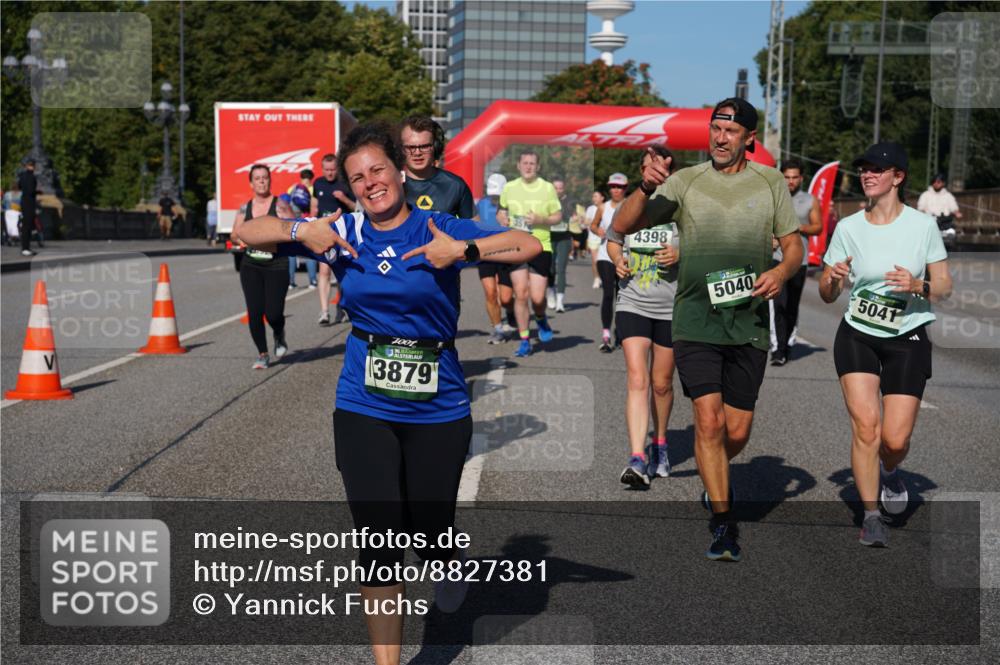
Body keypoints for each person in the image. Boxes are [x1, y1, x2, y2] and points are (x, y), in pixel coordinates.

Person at [233, 121, 540, 665]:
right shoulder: (343, 229)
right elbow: (248, 233)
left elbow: (527, 244)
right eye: (358, 177)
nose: (370, 183)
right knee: (379, 541)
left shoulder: (436, 225)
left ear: (399, 171)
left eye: (377, 170)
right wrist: (303, 230)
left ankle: (446, 559)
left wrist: (463, 250)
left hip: (438, 403)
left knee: (427, 533)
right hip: (364, 402)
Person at [613, 97, 802, 562]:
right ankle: (722, 521)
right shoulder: (685, 181)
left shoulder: (770, 182)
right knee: (709, 420)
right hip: (695, 319)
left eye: (730, 131)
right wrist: (645, 186)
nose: (720, 138)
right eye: (715, 129)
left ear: (749, 138)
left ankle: (713, 465)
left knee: (735, 431)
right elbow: (623, 225)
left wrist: (781, 272)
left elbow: (793, 246)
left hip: (748, 321)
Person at [820, 142, 952, 547]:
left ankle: (890, 472)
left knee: (894, 441)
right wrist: (833, 279)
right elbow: (826, 293)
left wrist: (918, 284)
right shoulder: (848, 228)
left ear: (898, 177)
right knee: (866, 427)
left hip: (907, 334)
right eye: (864, 168)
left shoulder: (922, 227)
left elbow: (944, 287)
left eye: (877, 169)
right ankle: (871, 515)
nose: (868, 174)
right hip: (857, 333)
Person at [607, 146, 679, 488]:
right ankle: (637, 457)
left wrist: (680, 253)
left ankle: (660, 443)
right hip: (633, 301)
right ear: (642, 171)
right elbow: (613, 238)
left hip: (671, 306)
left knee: (662, 383)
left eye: (661, 167)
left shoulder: (680, 206)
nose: (655, 172)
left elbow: (702, 246)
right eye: (649, 166)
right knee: (637, 379)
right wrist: (617, 259)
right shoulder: (631, 205)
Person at [498, 150, 562, 357]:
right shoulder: (509, 187)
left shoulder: (547, 187)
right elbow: (501, 211)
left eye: (532, 163)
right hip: (516, 245)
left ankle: (541, 317)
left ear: (538, 167)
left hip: (541, 246)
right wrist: (502, 219)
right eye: (525, 163)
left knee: (537, 298)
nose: (528, 167)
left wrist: (541, 219)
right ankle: (524, 339)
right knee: (521, 293)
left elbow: (558, 216)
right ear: (518, 165)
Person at [230, 164, 290, 370]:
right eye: (257, 178)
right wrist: (242, 238)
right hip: (251, 265)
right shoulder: (244, 208)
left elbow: (295, 229)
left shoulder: (280, 205)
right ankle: (262, 354)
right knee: (255, 312)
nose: (262, 181)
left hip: (277, 264)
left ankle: (279, 333)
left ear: (270, 180)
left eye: (265, 177)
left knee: (273, 313)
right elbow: (235, 234)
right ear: (251, 183)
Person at [769, 159, 823, 366]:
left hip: (800, 261)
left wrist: (798, 227)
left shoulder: (810, 200)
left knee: (792, 305)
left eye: (794, 177)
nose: (790, 181)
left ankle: (788, 342)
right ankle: (778, 349)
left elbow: (818, 227)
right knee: (778, 304)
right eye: (786, 177)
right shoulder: (774, 197)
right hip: (777, 259)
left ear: (801, 178)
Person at [312, 153, 357, 325]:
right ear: (322, 169)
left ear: (337, 168)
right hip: (323, 233)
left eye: (332, 169)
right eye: (326, 169)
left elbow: (356, 207)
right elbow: (314, 206)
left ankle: (342, 307)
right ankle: (324, 312)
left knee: (341, 273)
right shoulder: (318, 183)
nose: (330, 173)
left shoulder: (345, 184)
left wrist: (343, 198)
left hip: (342, 234)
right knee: (324, 271)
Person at [476, 173, 515, 344]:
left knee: (506, 298)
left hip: (506, 253)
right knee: (490, 293)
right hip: (485, 253)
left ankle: (511, 314)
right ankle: (498, 329)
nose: (494, 199)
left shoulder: (511, 205)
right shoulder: (481, 204)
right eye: (492, 195)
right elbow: (473, 224)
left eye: (497, 196)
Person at [593, 174, 628, 353]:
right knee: (608, 294)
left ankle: (621, 333)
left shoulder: (631, 205)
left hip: (625, 257)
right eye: (613, 186)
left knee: (622, 296)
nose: (616, 190)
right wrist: (597, 230)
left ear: (625, 188)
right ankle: (606, 336)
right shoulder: (603, 207)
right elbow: (593, 225)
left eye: (619, 187)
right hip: (605, 255)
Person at [287, 170, 318, 290]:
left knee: (291, 253)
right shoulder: (312, 189)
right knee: (309, 252)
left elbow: (287, 203)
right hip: (307, 223)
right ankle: (312, 281)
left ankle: (291, 282)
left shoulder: (292, 188)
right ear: (311, 178)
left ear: (301, 177)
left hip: (293, 223)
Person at [548, 178, 574, 313]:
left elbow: (573, 216)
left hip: (564, 237)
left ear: (564, 189)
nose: (558, 190)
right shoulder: (546, 200)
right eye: (555, 188)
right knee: (550, 268)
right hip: (550, 237)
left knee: (562, 268)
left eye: (560, 188)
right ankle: (550, 292)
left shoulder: (569, 201)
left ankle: (560, 302)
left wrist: (576, 219)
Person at [585, 190, 606, 289]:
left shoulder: (607, 207)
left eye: (596, 196)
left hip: (604, 238)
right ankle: (597, 278)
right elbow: (586, 222)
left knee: (605, 261)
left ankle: (605, 278)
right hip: (593, 237)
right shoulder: (590, 209)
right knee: (595, 260)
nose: (594, 198)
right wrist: (591, 222)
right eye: (593, 196)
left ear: (602, 198)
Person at [17, 160, 38, 256]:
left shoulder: (22, 176)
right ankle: (25, 248)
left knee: (26, 225)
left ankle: (26, 247)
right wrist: (37, 192)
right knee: (27, 226)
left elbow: (20, 186)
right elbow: (31, 191)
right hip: (29, 202)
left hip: (24, 202)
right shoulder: (32, 177)